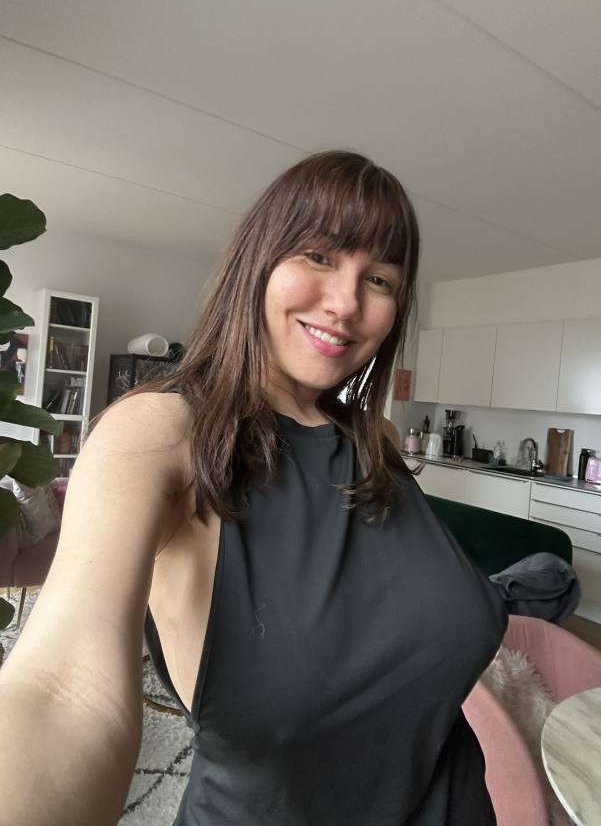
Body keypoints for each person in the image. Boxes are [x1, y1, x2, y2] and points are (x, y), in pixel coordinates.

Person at [0, 151, 506, 826]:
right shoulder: (158, 432)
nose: (346, 303)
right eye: (319, 255)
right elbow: (62, 691)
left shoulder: (376, 439)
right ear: (258, 260)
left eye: (379, 278)